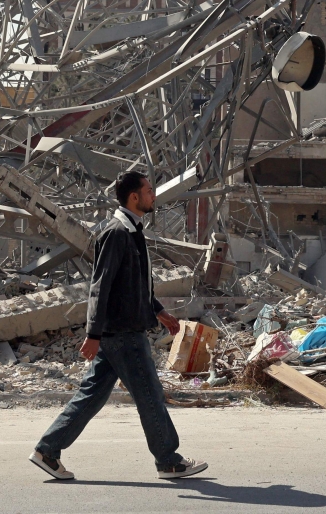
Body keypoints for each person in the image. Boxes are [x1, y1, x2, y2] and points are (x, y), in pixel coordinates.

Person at [29, 171, 208, 481]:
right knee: (150, 394)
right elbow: (101, 286)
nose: (154, 196)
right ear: (134, 197)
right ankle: (168, 460)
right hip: (122, 334)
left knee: (92, 396)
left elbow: (134, 285)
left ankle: (48, 450)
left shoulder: (132, 231)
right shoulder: (116, 233)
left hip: (123, 330)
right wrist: (93, 334)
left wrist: (159, 311)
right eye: (149, 191)